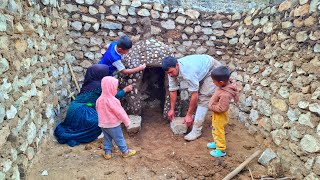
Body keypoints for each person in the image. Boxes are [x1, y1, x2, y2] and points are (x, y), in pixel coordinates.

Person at [54, 64, 133, 147]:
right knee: (100, 122)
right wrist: (125, 90)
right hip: (82, 110)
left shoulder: (89, 82)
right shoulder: (100, 86)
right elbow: (112, 96)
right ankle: (80, 135)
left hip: (73, 108)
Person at [161, 54, 222, 141]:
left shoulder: (188, 71)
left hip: (212, 69)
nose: (170, 75)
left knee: (203, 97)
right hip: (201, 69)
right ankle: (195, 116)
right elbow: (173, 90)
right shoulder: (170, 71)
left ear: (177, 65)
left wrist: (188, 115)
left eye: (171, 72)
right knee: (195, 93)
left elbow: (194, 94)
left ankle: (196, 130)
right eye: (168, 73)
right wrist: (172, 109)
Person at [96, 76, 137, 159]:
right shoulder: (113, 100)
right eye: (115, 87)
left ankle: (107, 153)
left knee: (107, 138)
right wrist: (127, 122)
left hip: (103, 125)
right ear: (111, 88)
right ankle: (125, 152)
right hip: (113, 125)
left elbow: (97, 110)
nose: (116, 90)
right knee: (119, 138)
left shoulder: (99, 100)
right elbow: (120, 113)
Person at [207, 66, 238, 157]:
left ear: (221, 82)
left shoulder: (225, 94)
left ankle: (221, 149)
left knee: (218, 131)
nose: (213, 83)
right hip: (217, 114)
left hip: (220, 115)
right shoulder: (223, 86)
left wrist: (211, 106)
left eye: (214, 81)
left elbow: (222, 108)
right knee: (215, 129)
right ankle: (217, 143)